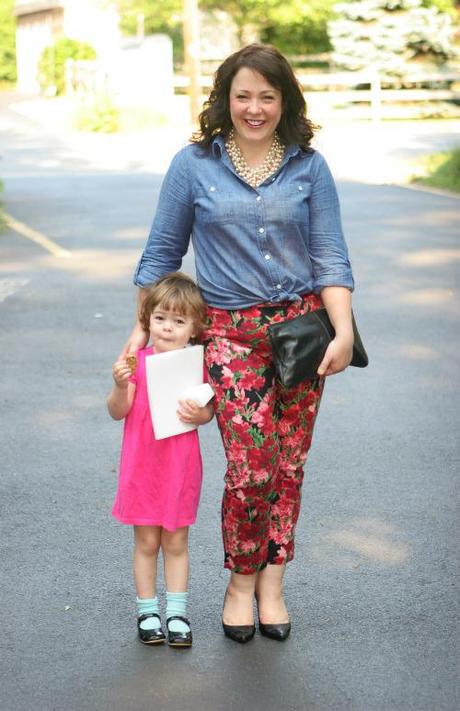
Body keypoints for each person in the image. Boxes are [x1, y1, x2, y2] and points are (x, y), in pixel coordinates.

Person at [122, 43, 355, 643]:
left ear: (286, 101)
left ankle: (274, 581)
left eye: (267, 97)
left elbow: (330, 256)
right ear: (225, 99)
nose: (255, 108)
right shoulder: (193, 165)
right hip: (229, 337)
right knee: (251, 468)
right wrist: (140, 331)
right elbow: (160, 254)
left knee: (291, 465)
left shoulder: (309, 166)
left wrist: (345, 330)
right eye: (243, 95)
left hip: (303, 333)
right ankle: (241, 581)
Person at [108, 272, 214, 647]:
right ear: (147, 319)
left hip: (179, 468)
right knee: (146, 542)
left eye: (179, 321)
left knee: (176, 542)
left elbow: (208, 411)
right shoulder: (135, 361)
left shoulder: (196, 365)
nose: (168, 328)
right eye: (160, 318)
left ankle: (177, 614)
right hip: (142, 467)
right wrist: (122, 385)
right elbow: (116, 411)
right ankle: (148, 611)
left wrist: (202, 414)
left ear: (195, 328)